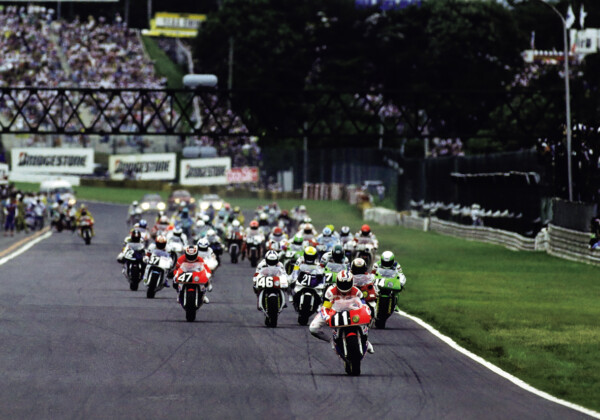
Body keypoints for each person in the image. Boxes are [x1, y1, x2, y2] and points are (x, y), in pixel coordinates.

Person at [308, 271, 374, 354]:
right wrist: (327, 317)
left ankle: (365, 341)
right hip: (334, 311)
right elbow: (325, 307)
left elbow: (363, 305)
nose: (344, 287)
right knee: (313, 328)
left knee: (367, 320)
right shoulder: (330, 292)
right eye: (342, 284)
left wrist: (366, 313)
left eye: (347, 284)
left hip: (352, 311)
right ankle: (331, 341)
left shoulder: (357, 291)